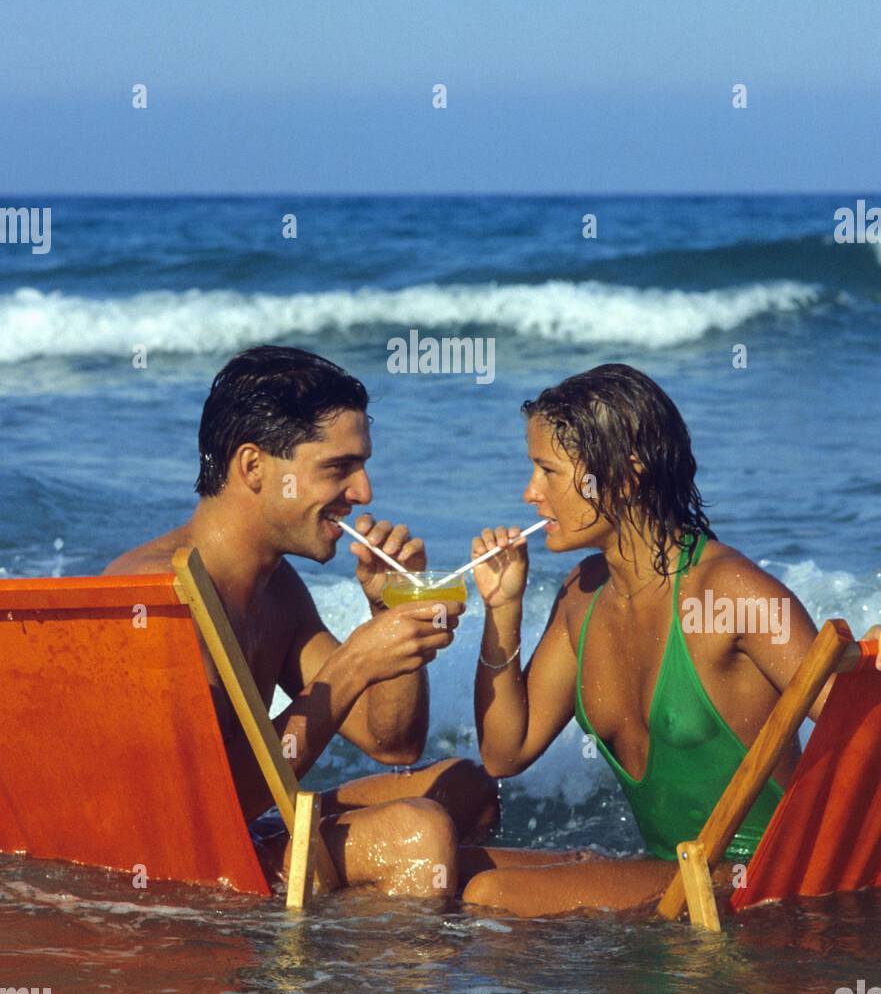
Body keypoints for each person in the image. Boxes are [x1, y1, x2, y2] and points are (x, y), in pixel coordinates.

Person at [104, 345, 497, 898]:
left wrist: (389, 610)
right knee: (418, 834)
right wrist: (354, 663)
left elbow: (393, 742)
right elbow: (210, 805)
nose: (363, 493)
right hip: (169, 863)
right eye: (339, 468)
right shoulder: (159, 597)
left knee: (466, 787)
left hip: (231, 830)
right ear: (253, 468)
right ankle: (348, 978)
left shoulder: (277, 587)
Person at [460, 363, 834, 918]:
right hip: (671, 876)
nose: (530, 493)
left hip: (763, 882)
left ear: (626, 475)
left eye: (548, 471)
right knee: (444, 863)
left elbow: (862, 731)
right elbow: (503, 752)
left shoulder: (731, 593)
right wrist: (502, 611)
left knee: (490, 896)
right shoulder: (581, 597)